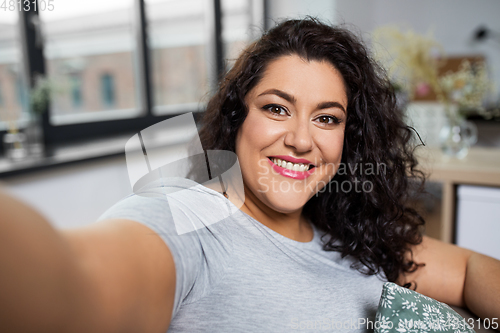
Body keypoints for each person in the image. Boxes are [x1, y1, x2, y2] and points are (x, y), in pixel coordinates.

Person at [1, 18, 499, 333]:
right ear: (239, 119)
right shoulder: (187, 221)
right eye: (277, 108)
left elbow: (474, 271)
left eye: (327, 118)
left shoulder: (350, 233)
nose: (302, 140)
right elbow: (71, 281)